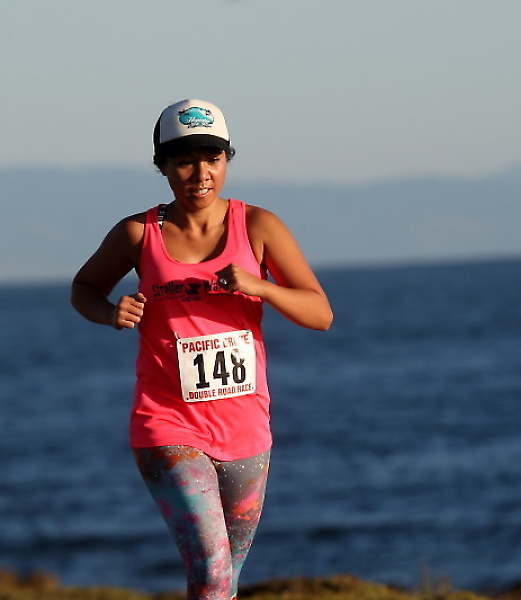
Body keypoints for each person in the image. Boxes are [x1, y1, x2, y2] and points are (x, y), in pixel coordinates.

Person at [71, 98, 333, 600]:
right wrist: (109, 312)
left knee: (223, 581)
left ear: (227, 159)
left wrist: (261, 287)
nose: (200, 174)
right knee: (212, 574)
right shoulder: (138, 233)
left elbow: (320, 314)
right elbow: (84, 288)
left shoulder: (258, 226)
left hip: (246, 430)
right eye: (185, 161)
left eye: (213, 158)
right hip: (167, 424)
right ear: (163, 166)